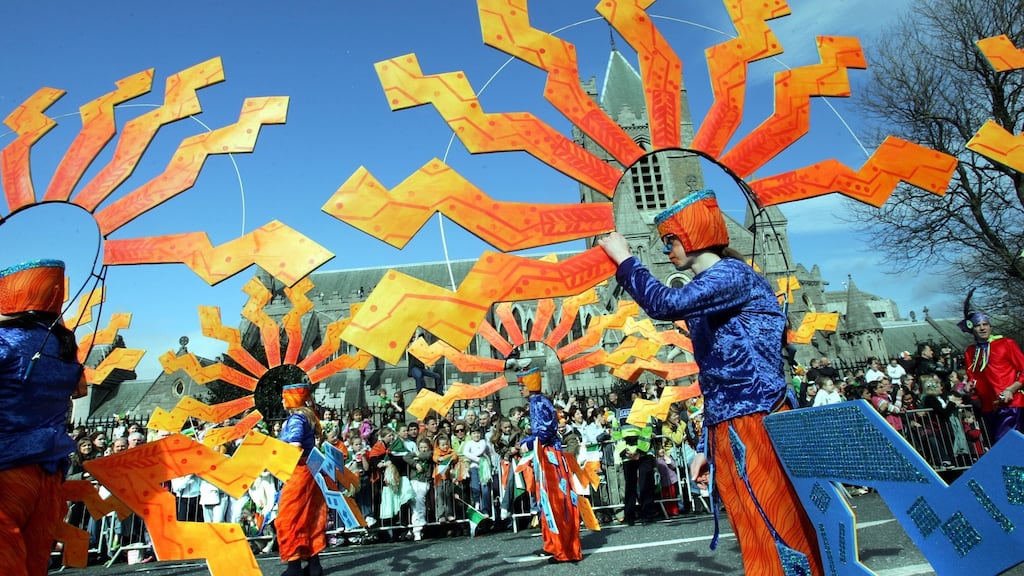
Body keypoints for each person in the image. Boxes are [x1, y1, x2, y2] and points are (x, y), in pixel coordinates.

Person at [598, 189, 823, 576]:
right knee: (750, 526)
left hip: (759, 420)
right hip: (729, 427)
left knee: (776, 520)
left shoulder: (731, 275)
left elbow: (665, 305)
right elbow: (717, 380)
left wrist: (626, 260)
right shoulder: (711, 289)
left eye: (670, 240)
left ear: (693, 235)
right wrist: (707, 443)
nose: (667, 249)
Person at [0, 259, 87, 575]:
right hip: (48, 478)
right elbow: (79, 391)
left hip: (7, 471)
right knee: (33, 565)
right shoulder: (62, 345)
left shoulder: (6, 342)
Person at [516, 367, 582, 562]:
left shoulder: (537, 403)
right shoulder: (539, 401)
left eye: (523, 386)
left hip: (549, 457)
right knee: (547, 500)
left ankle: (562, 549)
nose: (521, 390)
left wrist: (524, 443)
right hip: (548, 455)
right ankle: (552, 545)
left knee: (553, 500)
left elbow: (544, 433)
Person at [275, 383, 327, 576]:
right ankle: (314, 565)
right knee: (310, 516)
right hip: (310, 469)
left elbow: (294, 445)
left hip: (298, 471)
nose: (282, 401)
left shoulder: (296, 418)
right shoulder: (308, 417)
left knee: (288, 518)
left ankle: (294, 567)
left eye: (284, 397)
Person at [959, 299, 1024, 443]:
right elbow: (972, 376)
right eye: (978, 326)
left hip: (1010, 404)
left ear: (990, 327)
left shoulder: (1006, 344)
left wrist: (1011, 389)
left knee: (1007, 444)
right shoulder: (970, 351)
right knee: (997, 445)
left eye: (985, 324)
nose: (982, 328)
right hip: (988, 406)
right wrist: (970, 386)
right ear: (971, 329)